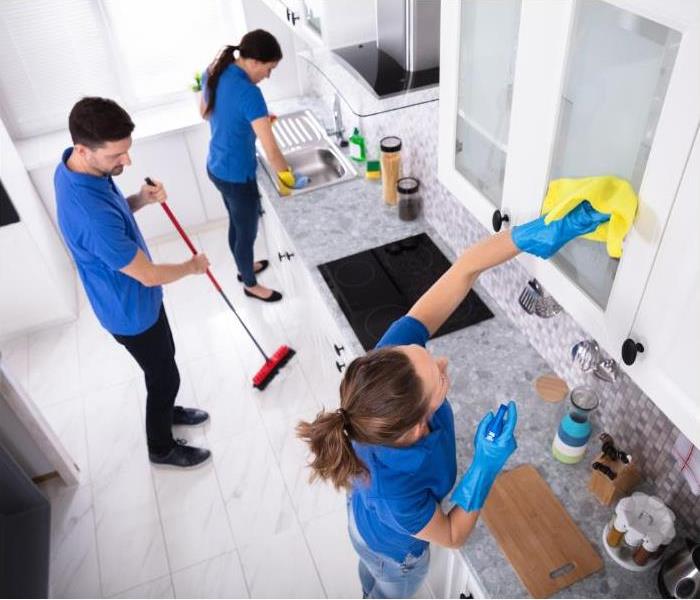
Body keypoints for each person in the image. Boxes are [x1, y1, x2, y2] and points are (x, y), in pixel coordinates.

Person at [297, 203, 610, 598]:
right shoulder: (395, 490)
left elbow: (465, 269)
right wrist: (486, 464)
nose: (442, 359)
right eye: (439, 376)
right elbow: (450, 534)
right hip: (394, 553)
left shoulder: (387, 369)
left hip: (368, 516)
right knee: (384, 586)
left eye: (424, 352)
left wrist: (530, 236)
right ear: (416, 424)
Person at [55, 97, 213, 469]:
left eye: (127, 152)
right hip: (130, 311)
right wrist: (191, 267)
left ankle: (168, 408)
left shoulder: (74, 168)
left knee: (163, 365)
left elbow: (114, 217)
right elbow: (147, 273)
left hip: (134, 300)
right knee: (164, 376)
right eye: (117, 156)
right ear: (83, 149)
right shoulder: (89, 214)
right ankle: (161, 448)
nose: (127, 162)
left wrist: (140, 199)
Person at [201, 29, 308, 303]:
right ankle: (249, 283)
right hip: (237, 175)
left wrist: (248, 122)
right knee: (246, 232)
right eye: (269, 69)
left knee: (236, 225)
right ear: (255, 62)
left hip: (216, 165)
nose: (268, 76)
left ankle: (242, 266)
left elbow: (205, 112)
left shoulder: (215, 71)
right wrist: (289, 178)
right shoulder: (250, 94)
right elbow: (272, 151)